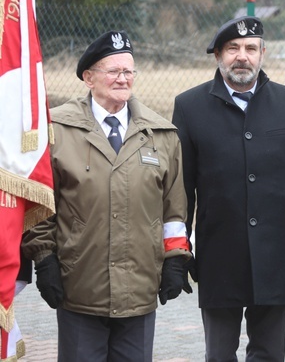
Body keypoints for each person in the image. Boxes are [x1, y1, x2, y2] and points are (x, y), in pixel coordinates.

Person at [22, 31, 192, 360]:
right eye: (113, 71)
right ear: (88, 78)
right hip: (79, 286)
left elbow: (175, 210)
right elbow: (42, 205)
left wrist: (175, 260)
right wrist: (44, 259)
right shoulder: (57, 129)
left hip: (139, 290)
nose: (122, 78)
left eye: (128, 71)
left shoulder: (161, 134)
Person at [172, 15, 285, 361]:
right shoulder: (189, 106)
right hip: (217, 255)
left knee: (270, 353)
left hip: (277, 254)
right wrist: (179, 250)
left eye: (250, 48)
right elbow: (181, 190)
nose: (242, 56)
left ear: (262, 53)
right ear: (218, 56)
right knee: (220, 353)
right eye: (233, 48)